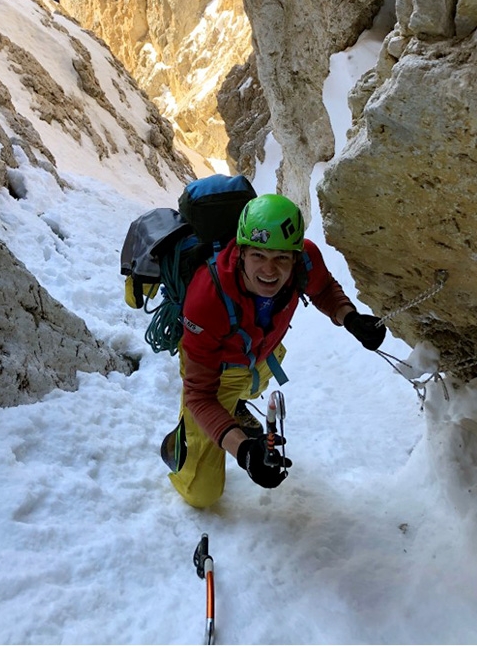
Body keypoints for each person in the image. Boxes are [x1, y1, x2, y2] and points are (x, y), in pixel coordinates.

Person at [164, 193, 386, 508]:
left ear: (295, 257)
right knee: (202, 494)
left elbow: (322, 288)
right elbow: (201, 395)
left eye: (281, 258)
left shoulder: (305, 258)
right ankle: (187, 435)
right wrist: (244, 451)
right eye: (259, 256)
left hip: (262, 355)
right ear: (240, 253)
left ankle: (234, 408)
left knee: (252, 384)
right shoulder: (206, 298)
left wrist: (349, 318)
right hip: (215, 373)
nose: (270, 270)